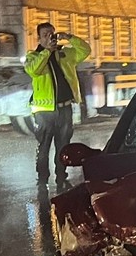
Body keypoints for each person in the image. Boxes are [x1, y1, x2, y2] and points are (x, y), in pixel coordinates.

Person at [24, 23, 91, 188]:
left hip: (64, 109)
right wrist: (47, 50)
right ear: (39, 38)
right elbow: (33, 70)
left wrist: (69, 37)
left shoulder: (64, 54)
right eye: (45, 34)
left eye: (52, 34)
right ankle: (42, 179)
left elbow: (85, 50)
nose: (50, 37)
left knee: (63, 146)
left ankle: (61, 176)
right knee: (44, 147)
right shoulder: (33, 55)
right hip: (44, 112)